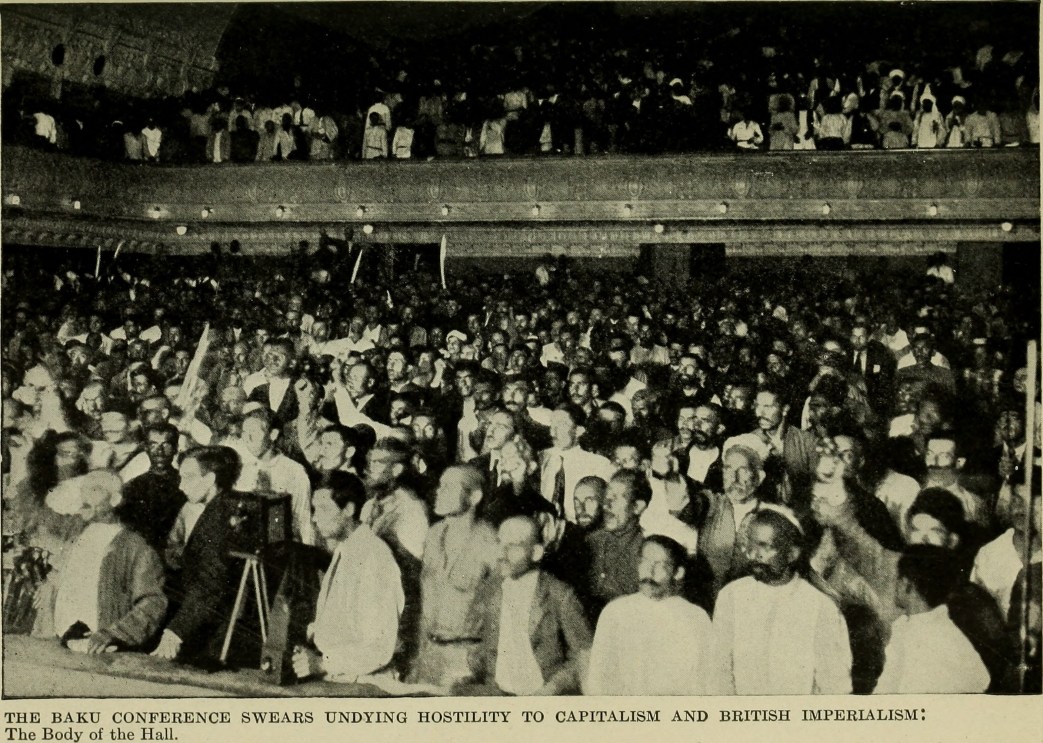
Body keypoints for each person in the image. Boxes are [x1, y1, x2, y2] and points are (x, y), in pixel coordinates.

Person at [709, 507, 852, 694]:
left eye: (765, 546)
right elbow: (718, 672)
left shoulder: (821, 606)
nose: (753, 555)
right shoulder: (731, 595)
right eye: (750, 545)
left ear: (792, 553)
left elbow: (834, 685)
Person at [291, 471, 404, 682]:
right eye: (314, 509)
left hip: (366, 684)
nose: (314, 518)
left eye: (323, 509)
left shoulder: (374, 557)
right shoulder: (346, 550)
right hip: (339, 676)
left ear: (349, 509)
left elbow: (379, 648)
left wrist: (323, 663)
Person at [466, 515, 592, 695]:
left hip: (542, 697)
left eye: (512, 546)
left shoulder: (559, 595)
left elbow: (583, 655)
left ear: (536, 553)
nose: (501, 554)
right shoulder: (491, 589)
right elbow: (476, 640)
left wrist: (552, 689)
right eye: (499, 543)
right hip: (497, 694)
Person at [45, 470, 167, 652]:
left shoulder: (135, 547)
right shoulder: (76, 535)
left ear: (115, 499)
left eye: (95, 489)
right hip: (62, 645)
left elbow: (153, 602)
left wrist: (114, 634)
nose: (85, 496)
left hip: (100, 652)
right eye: (83, 489)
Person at [153, 446, 247, 666]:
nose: (181, 485)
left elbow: (211, 583)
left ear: (210, 479)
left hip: (218, 633)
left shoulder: (218, 519)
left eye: (188, 477)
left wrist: (176, 631)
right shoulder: (223, 508)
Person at [584, 535, 712, 695]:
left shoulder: (696, 617)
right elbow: (599, 680)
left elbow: (705, 681)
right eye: (645, 562)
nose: (649, 572)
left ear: (678, 572)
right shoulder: (615, 612)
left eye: (659, 565)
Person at [411, 466, 498, 686]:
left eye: (449, 487)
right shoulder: (433, 535)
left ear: (475, 496)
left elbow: (504, 614)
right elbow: (426, 603)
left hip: (466, 660)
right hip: (428, 656)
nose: (438, 492)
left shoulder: (491, 543)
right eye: (440, 485)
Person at [873, 545, 990, 693]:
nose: (895, 584)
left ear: (907, 584)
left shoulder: (929, 639)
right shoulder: (907, 627)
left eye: (898, 578)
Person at [116, 423, 186, 553]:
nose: (159, 451)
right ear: (146, 448)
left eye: (166, 445)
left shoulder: (185, 484)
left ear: (176, 448)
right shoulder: (132, 487)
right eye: (153, 445)